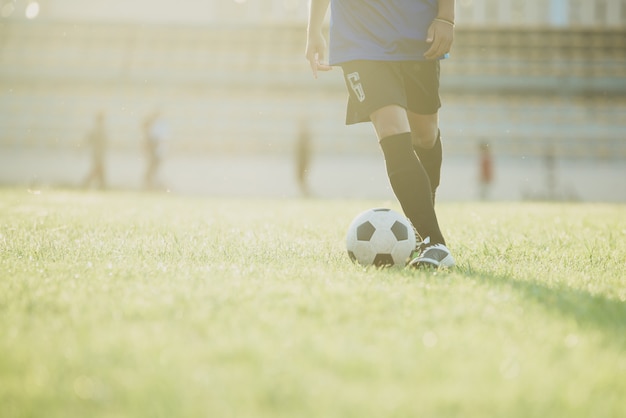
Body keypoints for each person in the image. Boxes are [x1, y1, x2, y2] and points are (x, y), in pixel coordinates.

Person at [306, 0, 456, 268]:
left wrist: (446, 16)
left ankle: (420, 229)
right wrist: (313, 29)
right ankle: (433, 242)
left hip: (417, 29)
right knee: (391, 130)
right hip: (359, 36)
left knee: (425, 135)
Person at [142, 110, 168, 191]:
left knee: (152, 172)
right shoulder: (154, 129)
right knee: (152, 172)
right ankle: (151, 187)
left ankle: (151, 187)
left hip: (156, 153)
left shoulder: (155, 129)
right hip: (156, 153)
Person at [82, 110, 107, 190]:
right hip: (97, 154)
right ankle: (86, 183)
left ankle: (102, 186)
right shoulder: (98, 129)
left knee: (100, 171)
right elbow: (89, 139)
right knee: (97, 170)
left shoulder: (98, 128)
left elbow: (88, 139)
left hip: (98, 153)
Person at [295, 118, 313, 197]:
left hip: (302, 162)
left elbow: (303, 153)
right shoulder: (304, 139)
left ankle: (307, 194)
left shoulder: (303, 139)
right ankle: (306, 194)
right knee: (300, 179)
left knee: (300, 179)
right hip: (302, 162)